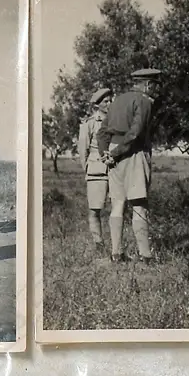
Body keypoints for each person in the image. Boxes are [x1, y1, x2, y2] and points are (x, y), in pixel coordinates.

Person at [97, 68, 161, 264]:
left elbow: (102, 133)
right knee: (139, 204)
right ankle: (145, 255)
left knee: (118, 204)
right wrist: (116, 153)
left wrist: (106, 154)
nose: (156, 90)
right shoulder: (144, 101)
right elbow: (135, 133)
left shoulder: (117, 101)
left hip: (114, 153)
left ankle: (116, 253)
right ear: (148, 84)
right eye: (155, 85)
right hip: (133, 152)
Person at [76, 87, 112, 250]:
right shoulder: (89, 124)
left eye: (110, 100)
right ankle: (98, 243)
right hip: (96, 170)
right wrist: (89, 169)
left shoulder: (116, 120)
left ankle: (116, 244)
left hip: (115, 169)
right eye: (106, 101)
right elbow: (83, 150)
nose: (110, 103)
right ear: (97, 105)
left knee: (118, 207)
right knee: (95, 209)